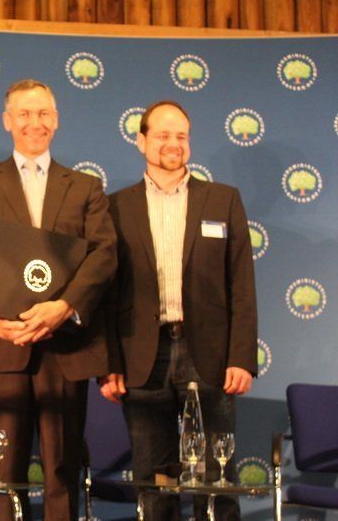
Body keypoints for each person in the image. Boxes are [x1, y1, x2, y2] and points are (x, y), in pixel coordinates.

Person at [0, 79, 117, 520]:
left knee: (61, 469)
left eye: (44, 113)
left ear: (57, 120)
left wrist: (63, 307)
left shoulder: (85, 187)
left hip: (66, 344)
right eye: (25, 114)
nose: (35, 122)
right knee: (5, 471)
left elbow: (103, 255)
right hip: (4, 340)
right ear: (7, 121)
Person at [102, 100, 257, 520]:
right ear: (141, 141)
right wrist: (109, 364)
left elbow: (242, 284)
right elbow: (107, 293)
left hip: (210, 355)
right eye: (163, 135)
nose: (173, 143)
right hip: (142, 356)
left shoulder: (223, 200)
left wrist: (241, 357)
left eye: (181, 136)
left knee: (216, 477)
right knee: (155, 481)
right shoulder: (115, 206)